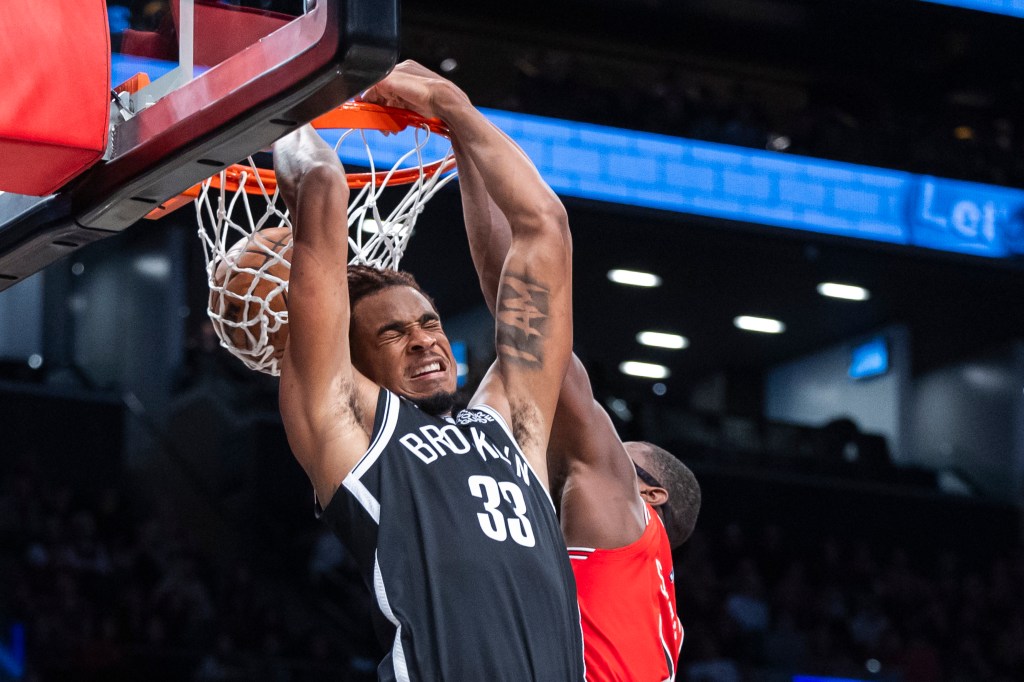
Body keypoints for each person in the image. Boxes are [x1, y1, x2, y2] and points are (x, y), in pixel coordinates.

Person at [271, 60, 584, 681]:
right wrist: (278, 104)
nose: (422, 343)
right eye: (392, 334)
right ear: (354, 360)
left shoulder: (512, 428)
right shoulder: (353, 431)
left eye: (430, 324)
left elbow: (543, 226)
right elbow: (325, 184)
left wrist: (454, 108)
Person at [456, 97, 701, 680]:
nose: (598, 448)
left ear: (652, 498)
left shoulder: (621, 520)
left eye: (623, 457)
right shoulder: (651, 604)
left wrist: (459, 123)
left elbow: (523, 324)